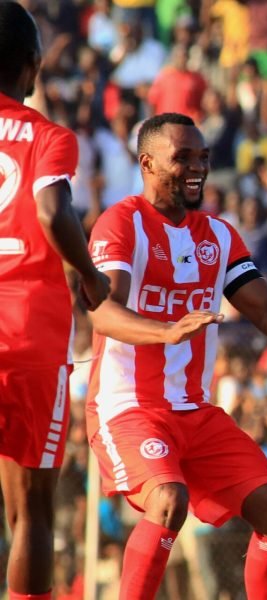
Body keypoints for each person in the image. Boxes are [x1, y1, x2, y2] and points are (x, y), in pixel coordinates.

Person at [86, 113, 267, 599]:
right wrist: (166, 331)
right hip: (127, 409)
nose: (197, 168)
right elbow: (103, 312)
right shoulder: (120, 222)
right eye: (182, 157)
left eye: (203, 157)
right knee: (168, 500)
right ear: (147, 163)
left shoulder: (217, 235)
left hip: (195, 413)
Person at [0, 3, 111, 598]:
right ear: (33, 65)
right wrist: (92, 276)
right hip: (30, 333)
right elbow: (50, 209)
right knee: (32, 510)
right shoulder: (47, 137)